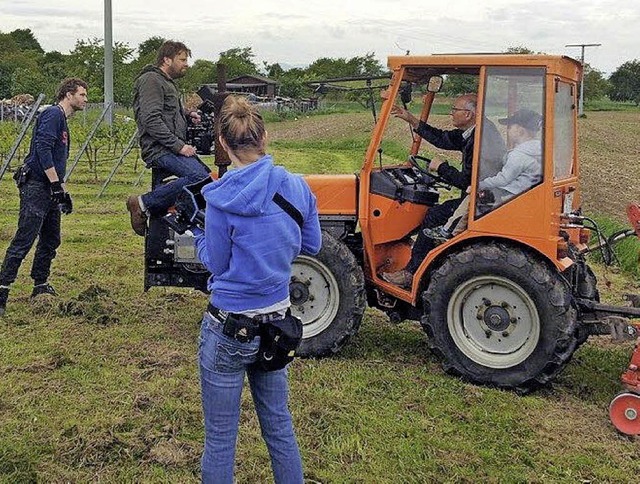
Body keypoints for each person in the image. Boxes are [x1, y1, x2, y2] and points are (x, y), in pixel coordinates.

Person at [193, 95, 322, 483]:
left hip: (228, 327)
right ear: (264, 135)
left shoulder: (219, 199)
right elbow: (311, 245)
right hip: (277, 324)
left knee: (220, 438)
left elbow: (215, 263)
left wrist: (197, 235)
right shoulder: (296, 187)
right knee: (280, 427)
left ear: (222, 142)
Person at [382, 94, 505, 287]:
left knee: (434, 215)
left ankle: (412, 274)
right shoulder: (474, 132)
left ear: (468, 114)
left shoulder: (482, 139)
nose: (451, 114)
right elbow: (442, 138)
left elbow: (467, 182)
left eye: (454, 109)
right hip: (484, 196)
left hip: (482, 200)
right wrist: (412, 119)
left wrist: (441, 168)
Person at [0, 78, 88, 316]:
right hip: (37, 186)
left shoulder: (63, 121)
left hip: (50, 187)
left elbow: (58, 160)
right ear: (68, 95)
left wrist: (62, 190)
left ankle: (40, 284)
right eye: (82, 94)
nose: (85, 99)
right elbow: (43, 150)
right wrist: (55, 185)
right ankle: (2, 289)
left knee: (51, 239)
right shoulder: (52, 114)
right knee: (24, 239)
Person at [126, 40, 210, 236]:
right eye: (182, 59)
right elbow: (151, 119)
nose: (186, 64)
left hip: (168, 146)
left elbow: (168, 112)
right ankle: (142, 203)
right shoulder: (151, 81)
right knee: (199, 178)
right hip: (160, 148)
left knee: (206, 179)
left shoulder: (166, 82)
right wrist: (179, 146)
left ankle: (172, 224)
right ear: (166, 59)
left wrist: (188, 115)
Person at [429, 108, 543, 241]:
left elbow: (503, 179)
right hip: (525, 194)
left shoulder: (519, 155)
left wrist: (478, 185)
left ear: (520, 130)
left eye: (511, 126)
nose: (508, 130)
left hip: (512, 196)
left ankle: (449, 230)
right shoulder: (540, 151)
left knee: (473, 198)